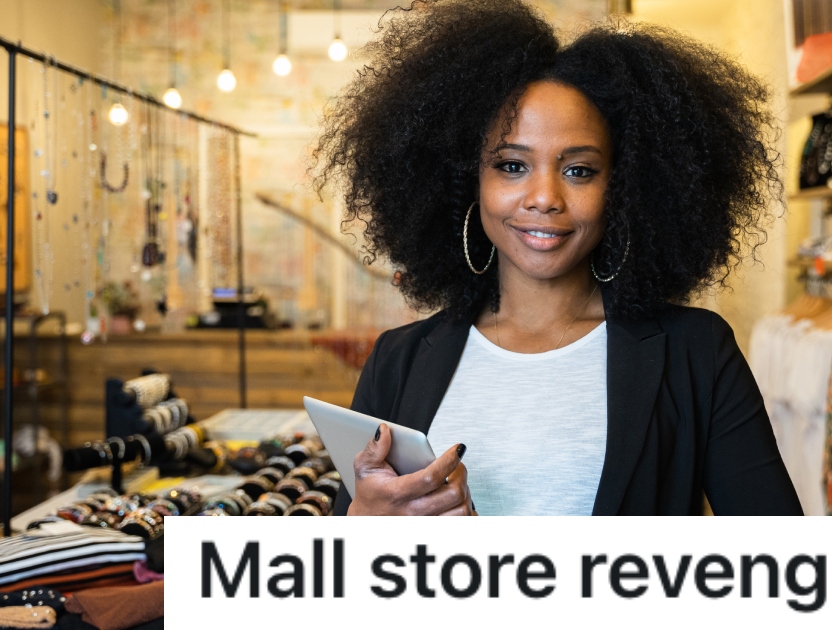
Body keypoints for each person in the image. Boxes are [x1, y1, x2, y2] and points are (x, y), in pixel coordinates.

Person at [312, 0, 802, 516]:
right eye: (511, 165)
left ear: (625, 188)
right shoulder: (398, 361)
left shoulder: (696, 353)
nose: (544, 197)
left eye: (579, 171)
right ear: (466, 181)